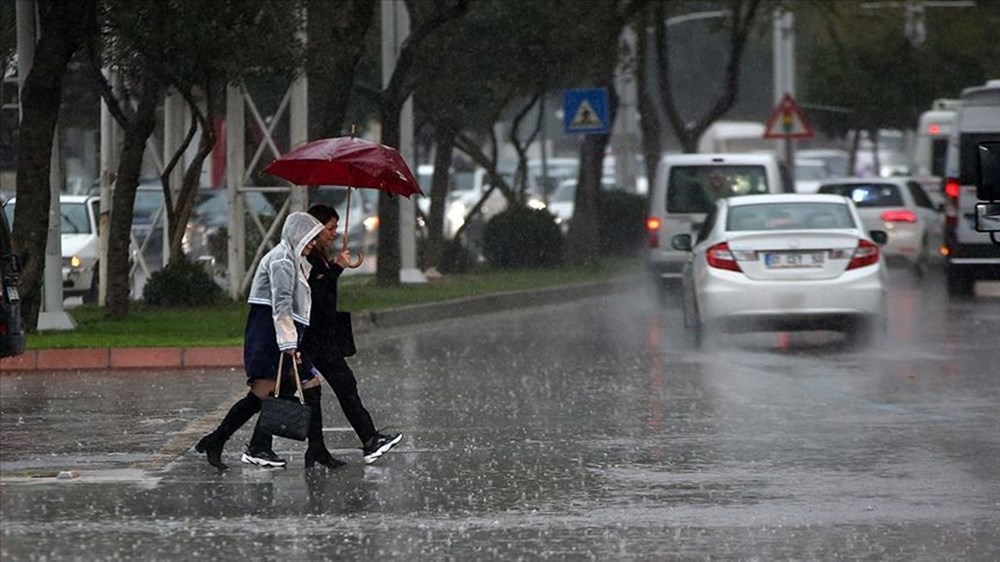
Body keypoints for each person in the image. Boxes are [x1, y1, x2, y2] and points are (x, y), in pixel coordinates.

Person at [195, 211, 326, 470]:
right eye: (311, 238)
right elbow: (281, 305)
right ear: (297, 235)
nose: (314, 243)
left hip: (279, 333)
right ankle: (227, 441)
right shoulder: (282, 261)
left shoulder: (293, 259)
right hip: (270, 335)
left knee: (291, 388)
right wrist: (290, 345)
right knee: (262, 394)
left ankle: (257, 445)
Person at [302, 204, 402, 464]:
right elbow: (316, 297)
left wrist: (335, 266)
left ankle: (319, 449)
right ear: (315, 227)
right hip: (314, 338)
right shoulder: (308, 258)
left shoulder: (319, 256)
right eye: (331, 228)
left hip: (322, 336)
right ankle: (368, 440)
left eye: (336, 227)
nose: (334, 233)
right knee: (338, 387)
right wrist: (336, 269)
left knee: (324, 391)